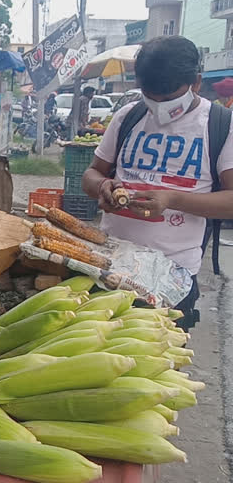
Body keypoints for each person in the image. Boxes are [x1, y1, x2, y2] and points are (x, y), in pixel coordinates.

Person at [82, 36, 233, 329]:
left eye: (168, 98)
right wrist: (102, 186)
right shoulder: (129, 116)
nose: (159, 106)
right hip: (109, 266)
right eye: (150, 96)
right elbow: (92, 173)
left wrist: (172, 199)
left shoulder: (221, 125)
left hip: (171, 277)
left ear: (196, 83)